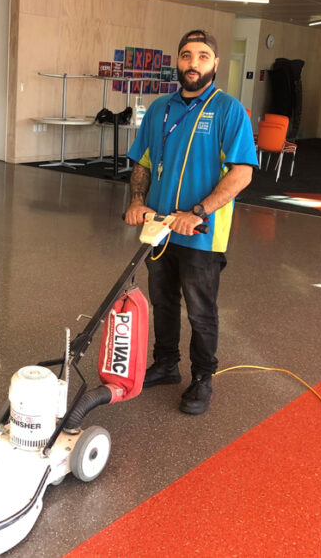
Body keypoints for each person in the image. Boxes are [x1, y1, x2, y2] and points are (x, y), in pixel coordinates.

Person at [124, 29, 258, 415]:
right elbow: (144, 161)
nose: (193, 63)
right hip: (161, 228)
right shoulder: (160, 109)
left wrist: (197, 212)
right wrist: (136, 201)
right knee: (162, 301)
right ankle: (165, 364)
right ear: (177, 61)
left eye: (202, 56)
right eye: (186, 55)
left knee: (200, 309)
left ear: (215, 63)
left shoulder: (228, 110)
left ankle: (202, 377)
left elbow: (242, 173)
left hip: (202, 233)